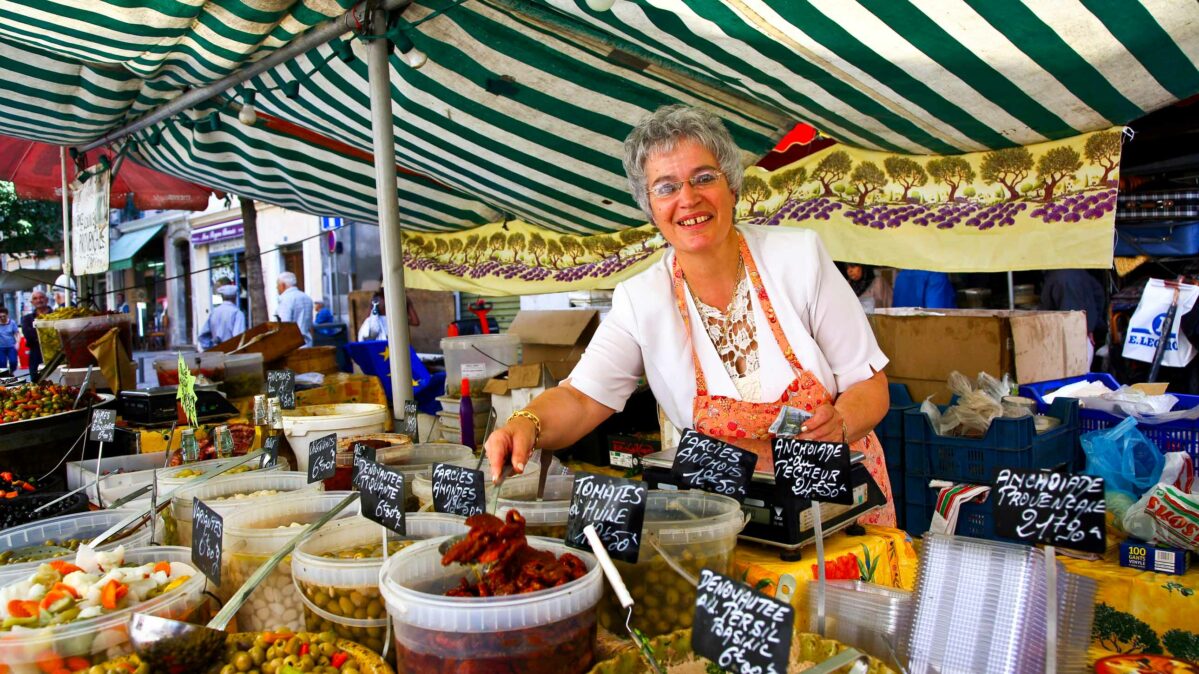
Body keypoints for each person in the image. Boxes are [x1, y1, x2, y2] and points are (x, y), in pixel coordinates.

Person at [484, 105, 896, 526]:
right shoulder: (641, 299)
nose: (688, 199)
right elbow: (580, 398)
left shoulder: (799, 257)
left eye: (703, 178)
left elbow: (869, 382)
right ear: (650, 207)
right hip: (731, 520)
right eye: (665, 188)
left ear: (732, 186)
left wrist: (841, 422)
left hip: (837, 510)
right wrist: (526, 423)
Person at [1040, 269, 1106, 364]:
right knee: (1082, 374)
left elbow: (1043, 311)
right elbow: (1099, 295)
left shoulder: (1052, 277)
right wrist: (1091, 326)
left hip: (1061, 337)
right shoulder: (1082, 273)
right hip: (1084, 334)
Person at [199, 285, 247, 349]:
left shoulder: (214, 312)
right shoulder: (237, 313)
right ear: (235, 297)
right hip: (230, 352)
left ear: (222, 297)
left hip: (216, 352)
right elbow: (238, 337)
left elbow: (203, 336)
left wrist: (210, 347)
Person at [275, 271, 314, 346]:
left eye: (277, 285)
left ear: (283, 285)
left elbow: (284, 325)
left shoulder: (286, 299)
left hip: (293, 346)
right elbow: (310, 325)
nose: (276, 288)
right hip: (308, 343)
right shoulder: (306, 298)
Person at [21, 290, 51, 378]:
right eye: (35, 298)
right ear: (32, 302)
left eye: (41, 297)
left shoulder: (56, 315)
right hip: (35, 353)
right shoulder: (26, 319)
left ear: (46, 299)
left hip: (54, 353)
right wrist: (47, 333)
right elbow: (28, 335)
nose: (39, 300)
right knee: (36, 380)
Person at [892, 269, 957, 309]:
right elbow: (937, 314)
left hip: (902, 328)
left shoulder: (901, 275)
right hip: (927, 328)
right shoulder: (936, 276)